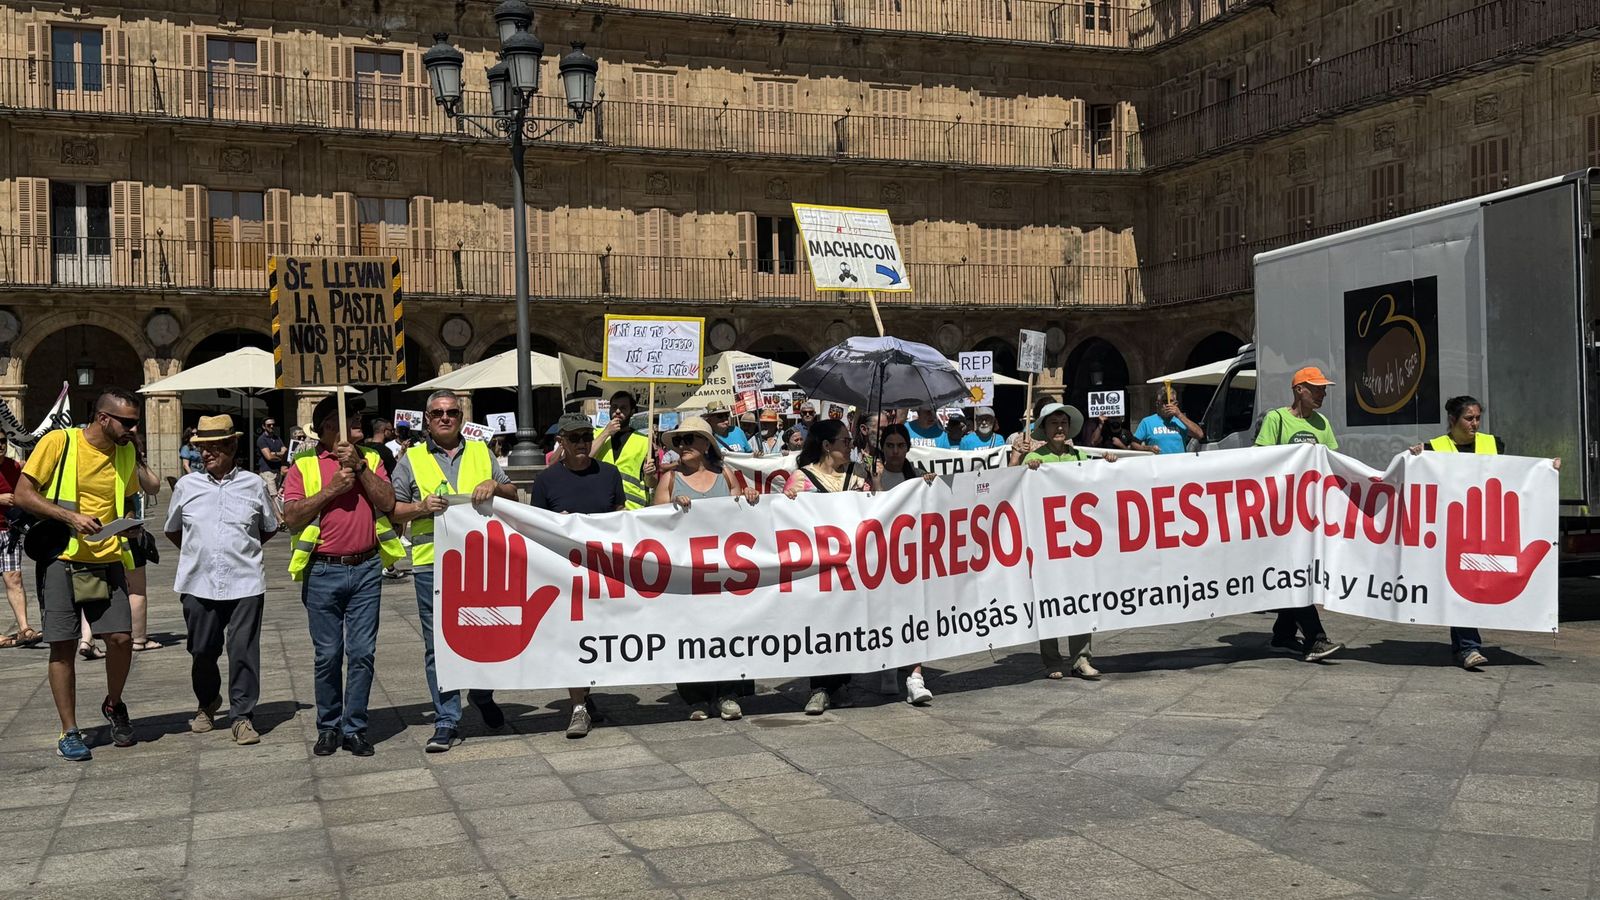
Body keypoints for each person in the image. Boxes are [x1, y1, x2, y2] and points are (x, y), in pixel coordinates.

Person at [13, 388, 146, 761]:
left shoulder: (125, 452)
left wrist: (130, 527)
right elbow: (24, 494)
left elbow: (128, 497)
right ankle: (69, 730)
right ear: (103, 418)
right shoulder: (60, 442)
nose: (134, 429)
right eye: (128, 422)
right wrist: (70, 517)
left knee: (121, 638)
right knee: (63, 645)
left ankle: (113, 703)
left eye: (136, 422)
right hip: (62, 557)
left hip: (107, 556)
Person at [391, 389, 518, 753]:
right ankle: (446, 718)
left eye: (451, 412)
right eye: (437, 413)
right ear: (426, 420)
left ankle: (481, 693)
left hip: (481, 562)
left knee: (486, 635)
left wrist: (495, 485)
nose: (445, 417)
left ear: (461, 418)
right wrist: (419, 506)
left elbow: (512, 494)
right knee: (437, 645)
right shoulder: (411, 459)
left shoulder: (481, 451)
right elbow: (394, 511)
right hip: (433, 564)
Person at [282, 396, 402, 757]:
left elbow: (388, 502)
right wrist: (333, 488)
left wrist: (361, 468)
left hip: (365, 568)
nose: (359, 426)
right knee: (328, 654)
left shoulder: (373, 458)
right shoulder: (303, 465)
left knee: (363, 652)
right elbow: (292, 516)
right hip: (322, 570)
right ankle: (329, 726)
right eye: (352, 420)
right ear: (329, 429)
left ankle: (355, 727)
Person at [1407, 395, 1559, 669]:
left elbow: (1516, 472)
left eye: (1477, 418)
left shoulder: (1493, 444)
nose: (1475, 424)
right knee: (1463, 586)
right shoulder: (1433, 448)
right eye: (1468, 418)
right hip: (1453, 531)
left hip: (1486, 528)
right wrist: (1415, 457)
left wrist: (1546, 468)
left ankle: (1466, 646)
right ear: (1452, 420)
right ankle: (1468, 647)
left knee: (1478, 585)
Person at [163, 415, 277, 745]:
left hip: (245, 582)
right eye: (201, 448)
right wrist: (200, 553)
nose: (205, 454)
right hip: (198, 582)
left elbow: (268, 528)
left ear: (232, 446)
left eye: (213, 447)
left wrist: (239, 550)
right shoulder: (187, 486)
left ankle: (242, 715)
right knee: (202, 649)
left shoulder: (253, 484)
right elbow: (172, 530)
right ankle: (207, 703)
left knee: (242, 649)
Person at [653, 416, 759, 721]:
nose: (682, 447)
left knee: (727, 631)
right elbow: (653, 524)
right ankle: (696, 697)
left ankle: (726, 692)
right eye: (679, 442)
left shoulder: (725, 475)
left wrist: (750, 497)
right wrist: (672, 506)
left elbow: (743, 517)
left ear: (705, 444)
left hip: (724, 573)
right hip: (686, 575)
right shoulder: (670, 480)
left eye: (688, 440)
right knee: (689, 632)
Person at [533, 413, 626, 737]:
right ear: (562, 441)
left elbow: (620, 519)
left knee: (600, 640)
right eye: (575, 438)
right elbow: (536, 530)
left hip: (605, 576)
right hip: (566, 578)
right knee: (574, 640)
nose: (583, 443)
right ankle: (578, 707)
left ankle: (587, 694)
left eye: (587, 436)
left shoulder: (610, 475)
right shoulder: (546, 481)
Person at [778, 418, 874, 714]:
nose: (850, 445)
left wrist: (873, 489)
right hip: (817, 567)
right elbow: (785, 521)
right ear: (826, 446)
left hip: (851, 565)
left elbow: (877, 509)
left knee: (847, 624)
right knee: (820, 623)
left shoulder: (858, 475)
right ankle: (820, 687)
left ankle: (840, 682)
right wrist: (789, 501)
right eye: (845, 441)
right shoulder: (801, 478)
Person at [1254, 366, 1345, 662]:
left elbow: (1332, 462)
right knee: (1295, 575)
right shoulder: (1276, 419)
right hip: (1282, 513)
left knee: (1295, 575)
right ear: (1299, 390)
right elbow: (1260, 459)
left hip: (1310, 514)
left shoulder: (1322, 424)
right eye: (1317, 388)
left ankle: (1283, 635)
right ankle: (1316, 639)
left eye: (1323, 389)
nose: (1323, 393)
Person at [1022, 402, 1109, 681]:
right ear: (1044, 429)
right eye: (1053, 423)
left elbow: (1100, 483)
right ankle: (1051, 660)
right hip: (1046, 541)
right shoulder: (1034, 459)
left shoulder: (1081, 455)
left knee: (1081, 599)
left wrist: (1110, 466)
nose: (1059, 428)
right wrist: (1029, 468)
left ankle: (1081, 658)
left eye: (1063, 423)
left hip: (1079, 540)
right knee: (1048, 599)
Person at [874, 423, 938, 705]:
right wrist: (875, 482)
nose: (895, 451)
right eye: (890, 445)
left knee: (914, 614)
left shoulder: (916, 477)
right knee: (887, 614)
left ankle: (915, 676)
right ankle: (888, 668)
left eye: (900, 445)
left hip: (912, 559)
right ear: (883, 447)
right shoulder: (871, 475)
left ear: (907, 448)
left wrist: (931, 486)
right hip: (880, 558)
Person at [0, 432, 41, 649]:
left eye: (2, 442)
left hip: (9, 531)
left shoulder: (13, 467)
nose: (0, 446)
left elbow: (23, 493)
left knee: (14, 579)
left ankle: (25, 628)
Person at [126, 439, 163, 652]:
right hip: (129, 532)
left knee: (96, 586)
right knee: (136, 589)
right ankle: (139, 639)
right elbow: (154, 486)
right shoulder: (130, 459)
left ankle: (88, 639)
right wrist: (138, 459)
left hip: (97, 531)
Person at [592, 391, 655, 510]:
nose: (617, 411)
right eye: (614, 407)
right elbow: (585, 458)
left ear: (632, 411)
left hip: (632, 508)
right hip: (600, 505)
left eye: (623, 408)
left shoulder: (644, 441)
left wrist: (649, 475)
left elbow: (652, 483)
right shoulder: (596, 434)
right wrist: (606, 433)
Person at [1133, 394, 1203, 455]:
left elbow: (1199, 434)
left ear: (1176, 404)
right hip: (1158, 466)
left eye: (1171, 401)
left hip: (1179, 465)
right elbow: (1133, 443)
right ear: (1157, 404)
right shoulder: (1147, 422)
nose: (1168, 405)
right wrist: (1148, 448)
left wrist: (1179, 415)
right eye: (1165, 401)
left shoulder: (1181, 420)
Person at [256, 418, 287, 500]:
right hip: (267, 472)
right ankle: (277, 513)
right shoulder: (262, 439)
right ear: (264, 426)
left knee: (279, 496)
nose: (272, 426)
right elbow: (269, 457)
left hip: (277, 472)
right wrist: (279, 454)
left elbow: (285, 451)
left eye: (273, 424)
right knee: (274, 497)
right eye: (269, 425)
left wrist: (275, 454)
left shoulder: (277, 438)